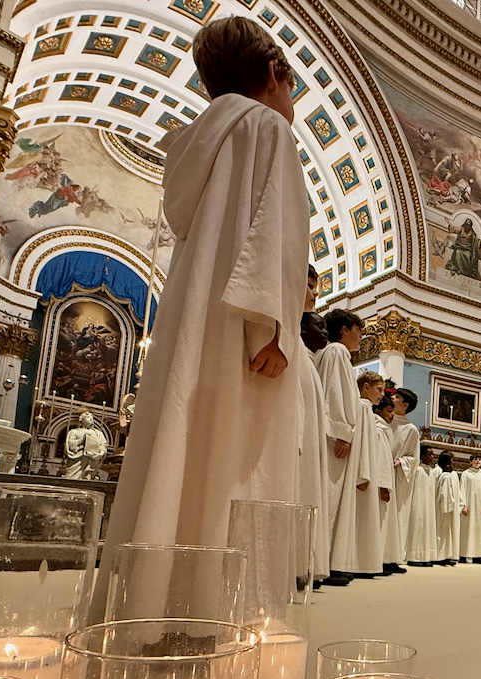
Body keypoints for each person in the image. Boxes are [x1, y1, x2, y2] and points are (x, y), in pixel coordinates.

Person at [93, 16, 307, 621]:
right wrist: (274, 330)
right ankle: (221, 613)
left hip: (196, 317)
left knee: (185, 448)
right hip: (246, 328)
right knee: (236, 459)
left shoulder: (197, 142)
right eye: (292, 88)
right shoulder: (266, 126)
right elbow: (275, 236)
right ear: (274, 73)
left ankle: (154, 603)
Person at [296, 265, 341, 586]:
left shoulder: (311, 360)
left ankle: (303, 561)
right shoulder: (295, 351)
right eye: (310, 285)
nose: (316, 293)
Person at [316, 308, 366, 580]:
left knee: (331, 498)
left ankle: (325, 562)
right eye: (358, 330)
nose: (361, 337)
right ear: (344, 330)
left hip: (333, 434)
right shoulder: (336, 351)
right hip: (334, 437)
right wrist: (343, 432)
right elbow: (334, 395)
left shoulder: (335, 354)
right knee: (329, 497)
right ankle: (320, 563)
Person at [328, 369, 390, 577]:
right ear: (365, 387)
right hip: (362, 471)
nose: (381, 394)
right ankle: (350, 562)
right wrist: (363, 473)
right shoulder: (363, 408)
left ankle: (355, 562)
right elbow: (361, 444)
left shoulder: (367, 410)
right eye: (379, 389)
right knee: (356, 517)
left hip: (365, 469)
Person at [389, 388, 421, 568]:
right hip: (382, 471)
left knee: (397, 515)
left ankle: (393, 558)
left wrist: (401, 461)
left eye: (397, 397)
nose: (392, 397)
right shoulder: (384, 420)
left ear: (405, 405)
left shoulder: (411, 430)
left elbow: (414, 459)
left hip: (399, 476)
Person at [375, 396, 405, 575]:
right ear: (378, 411)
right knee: (380, 522)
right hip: (381, 483)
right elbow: (380, 460)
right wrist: (383, 485)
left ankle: (385, 559)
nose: (392, 415)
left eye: (393, 411)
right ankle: (377, 560)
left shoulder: (384, 428)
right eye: (389, 411)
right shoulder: (379, 429)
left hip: (385, 481)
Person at [458, 454, 481, 562]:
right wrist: (464, 505)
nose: (478, 461)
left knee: (480, 530)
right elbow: (462, 490)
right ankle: (463, 555)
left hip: (480, 508)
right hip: (469, 507)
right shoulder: (466, 474)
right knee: (467, 530)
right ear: (471, 461)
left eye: (479, 459)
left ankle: (479, 556)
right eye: (475, 459)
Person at [407, 446, 439, 566]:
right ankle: (414, 557)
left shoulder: (431, 471)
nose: (432, 457)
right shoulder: (418, 470)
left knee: (427, 528)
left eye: (433, 454)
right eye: (429, 454)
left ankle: (425, 557)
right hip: (418, 503)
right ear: (422, 456)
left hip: (428, 505)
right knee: (417, 528)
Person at [434, 452, 463, 564]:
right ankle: (440, 557)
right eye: (451, 463)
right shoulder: (446, 477)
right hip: (445, 510)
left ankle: (445, 555)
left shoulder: (444, 476)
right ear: (447, 465)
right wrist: (449, 508)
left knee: (444, 533)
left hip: (444, 508)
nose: (453, 466)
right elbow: (445, 495)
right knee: (443, 533)